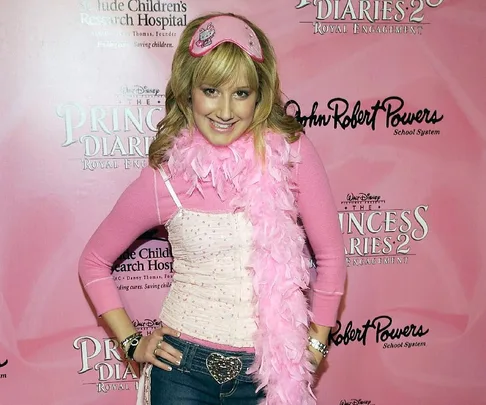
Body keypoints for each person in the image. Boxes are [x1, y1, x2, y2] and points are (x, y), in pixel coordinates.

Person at [78, 12, 346, 405]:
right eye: (211, 90)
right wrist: (132, 342)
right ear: (188, 91)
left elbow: (331, 256)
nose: (225, 110)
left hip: (267, 377)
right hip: (181, 373)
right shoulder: (164, 178)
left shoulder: (292, 155)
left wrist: (317, 342)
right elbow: (93, 261)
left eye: (240, 93)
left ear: (260, 95)